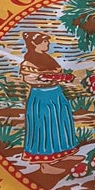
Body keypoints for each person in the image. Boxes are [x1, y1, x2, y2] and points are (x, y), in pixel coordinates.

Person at [18, 31, 79, 160]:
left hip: (56, 93)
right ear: (35, 43)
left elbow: (56, 72)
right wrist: (45, 78)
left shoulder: (47, 58)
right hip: (41, 96)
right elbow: (29, 78)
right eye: (45, 41)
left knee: (60, 121)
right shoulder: (28, 61)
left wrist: (59, 78)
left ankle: (64, 153)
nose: (48, 43)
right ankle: (44, 162)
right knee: (44, 125)